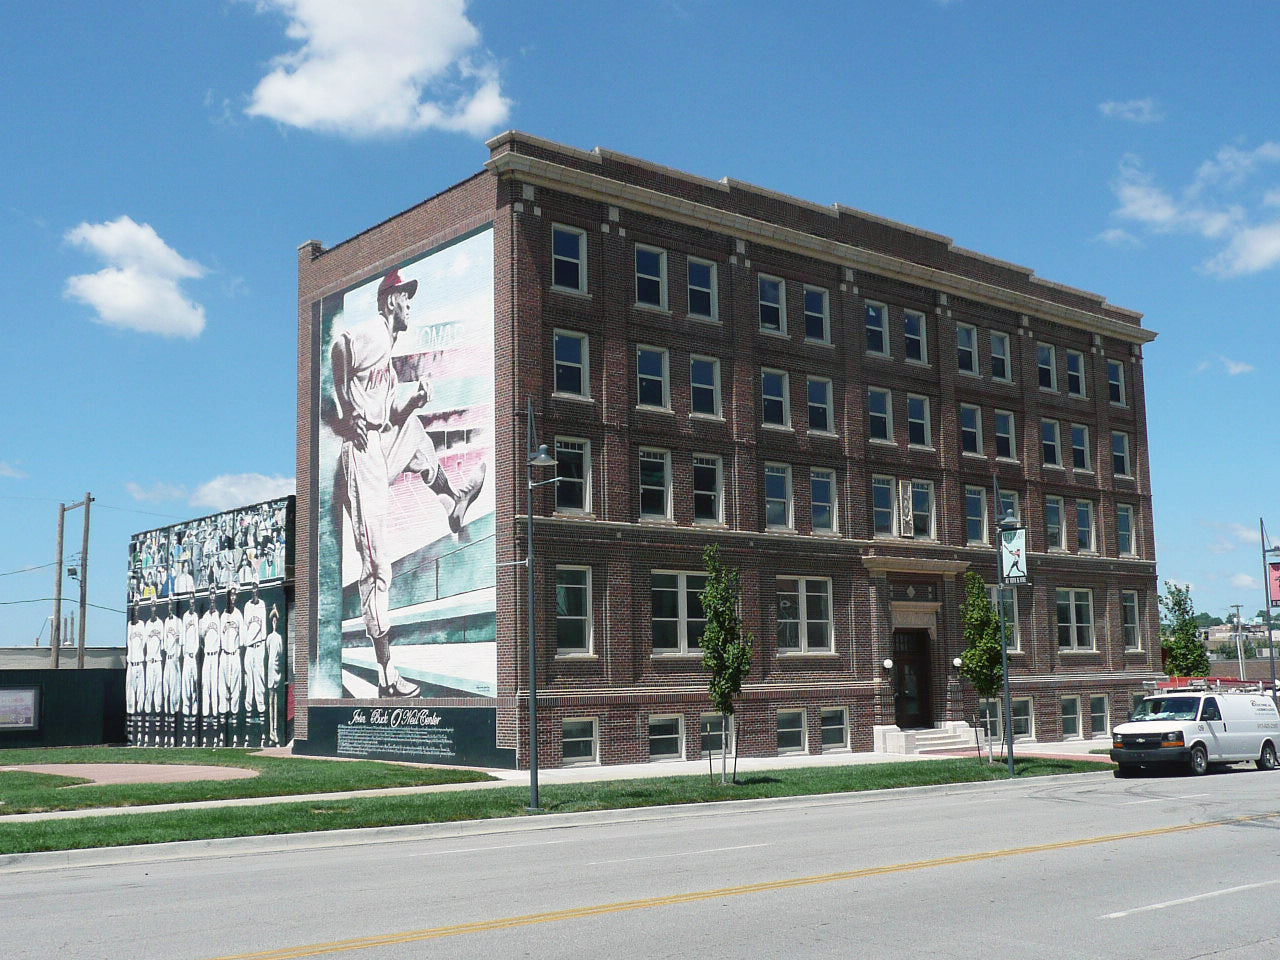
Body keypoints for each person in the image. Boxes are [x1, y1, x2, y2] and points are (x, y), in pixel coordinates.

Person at [330, 268, 485, 697]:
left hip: (380, 444)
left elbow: (390, 417)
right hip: (360, 459)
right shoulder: (374, 334)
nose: (410, 305)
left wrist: (412, 401)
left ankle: (452, 502)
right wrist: (347, 412)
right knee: (377, 567)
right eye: (406, 298)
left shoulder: (390, 351)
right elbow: (339, 347)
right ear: (389, 301)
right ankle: (385, 674)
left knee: (414, 428)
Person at [241, 584, 268, 747]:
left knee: (260, 689)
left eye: (256, 588)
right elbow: (245, 629)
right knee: (249, 689)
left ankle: (263, 734)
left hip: (259, 647)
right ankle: (248, 735)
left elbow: (263, 630)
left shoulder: (263, 604)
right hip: (249, 649)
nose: (254, 591)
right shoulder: (246, 606)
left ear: (259, 590)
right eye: (252, 589)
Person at [200, 587, 222, 745]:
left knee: (215, 691)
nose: (212, 598)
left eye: (214, 594)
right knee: (206, 690)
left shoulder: (220, 616)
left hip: (217, 656)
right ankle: (207, 732)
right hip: (207, 656)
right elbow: (201, 640)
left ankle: (215, 731)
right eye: (210, 595)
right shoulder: (204, 619)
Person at [180, 594, 202, 746]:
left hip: (194, 658)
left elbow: (200, 640)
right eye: (190, 602)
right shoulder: (184, 618)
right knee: (186, 692)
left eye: (194, 602)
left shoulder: (197, 619)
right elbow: (181, 642)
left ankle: (193, 733)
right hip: (186, 658)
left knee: (194, 692)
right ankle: (187, 732)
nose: (192, 604)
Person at [265, 604, 285, 746]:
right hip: (270, 673)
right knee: (270, 701)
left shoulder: (279, 638)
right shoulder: (269, 638)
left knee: (276, 701)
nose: (274, 622)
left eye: (276, 620)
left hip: (277, 673)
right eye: (272, 620)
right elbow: (268, 655)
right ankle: (270, 731)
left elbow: (280, 654)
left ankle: (275, 731)